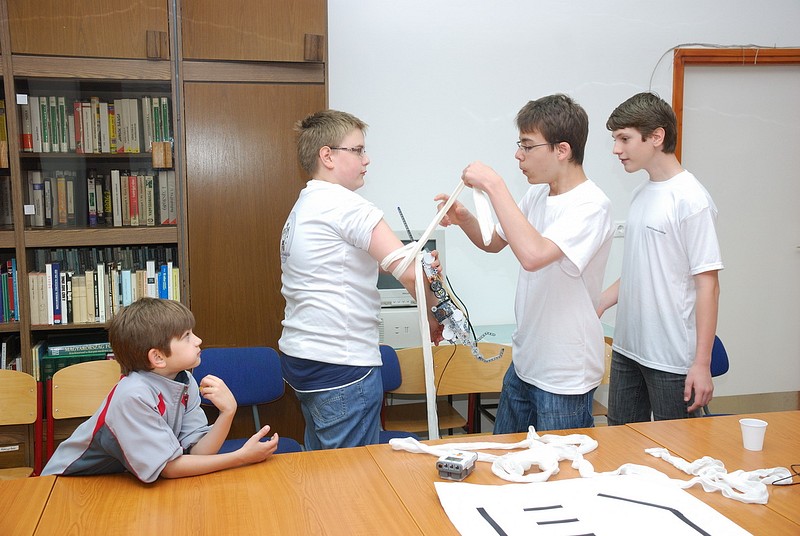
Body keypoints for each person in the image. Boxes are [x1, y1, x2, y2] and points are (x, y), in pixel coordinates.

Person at [436, 94, 613, 432]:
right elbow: (494, 242)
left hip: (564, 372)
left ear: (562, 150)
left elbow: (533, 256)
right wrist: (465, 219)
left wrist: (494, 185)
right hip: (526, 362)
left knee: (560, 463)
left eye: (528, 146)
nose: (519, 155)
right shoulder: (538, 194)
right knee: (507, 455)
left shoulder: (591, 205)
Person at [279, 109, 441, 450]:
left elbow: (336, 265)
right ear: (327, 156)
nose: (367, 159)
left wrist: (399, 259)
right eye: (358, 150)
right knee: (352, 474)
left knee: (325, 465)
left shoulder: (306, 204)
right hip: (342, 364)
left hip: (305, 359)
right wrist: (434, 316)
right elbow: (410, 274)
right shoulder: (347, 205)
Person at [41, 298, 279, 483]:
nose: (198, 340)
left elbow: (198, 454)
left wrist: (227, 412)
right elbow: (169, 468)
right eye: (187, 336)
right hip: (64, 483)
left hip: (115, 480)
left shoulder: (184, 380)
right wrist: (240, 457)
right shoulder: (132, 395)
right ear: (157, 357)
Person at [597, 92, 723, 425]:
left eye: (624, 139)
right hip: (628, 349)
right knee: (621, 442)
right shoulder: (640, 194)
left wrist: (701, 364)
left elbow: (708, 286)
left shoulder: (691, 200)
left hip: (671, 359)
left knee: (677, 449)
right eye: (615, 139)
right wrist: (599, 302)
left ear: (656, 136)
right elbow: (642, 270)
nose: (616, 149)